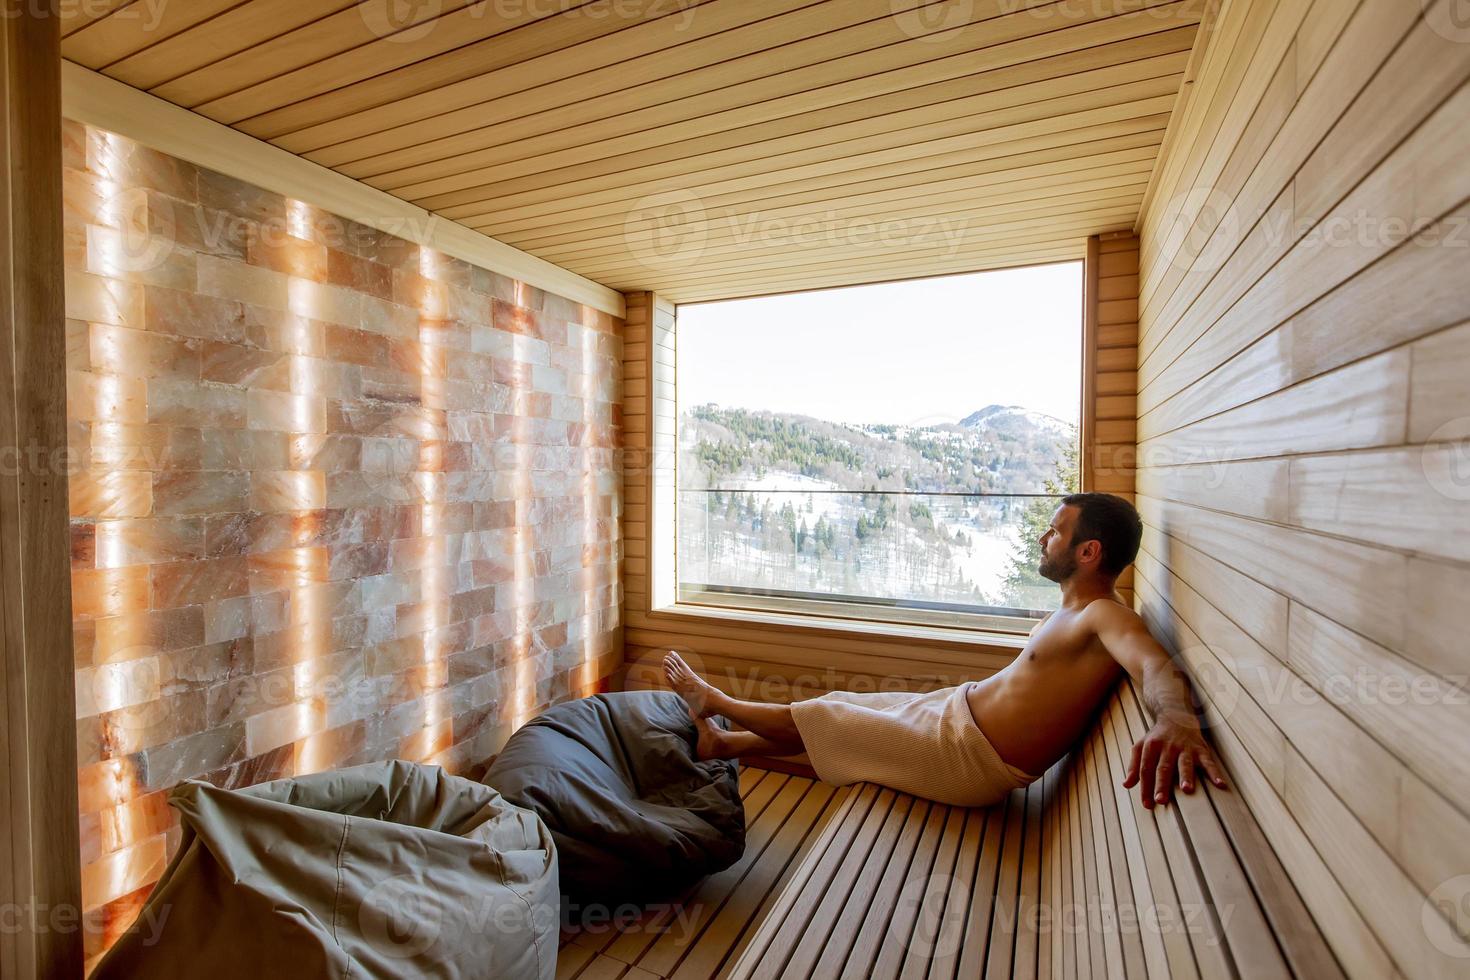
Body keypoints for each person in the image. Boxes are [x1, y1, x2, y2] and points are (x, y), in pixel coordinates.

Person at [663, 492, 1226, 810]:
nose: (1042, 538)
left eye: (1055, 532)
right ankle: (722, 742)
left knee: (832, 717)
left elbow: (1152, 662)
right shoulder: (1073, 612)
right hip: (956, 717)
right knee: (847, 706)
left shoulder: (1104, 614)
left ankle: (714, 703)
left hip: (968, 762)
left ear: (1089, 550)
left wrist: (1176, 718)